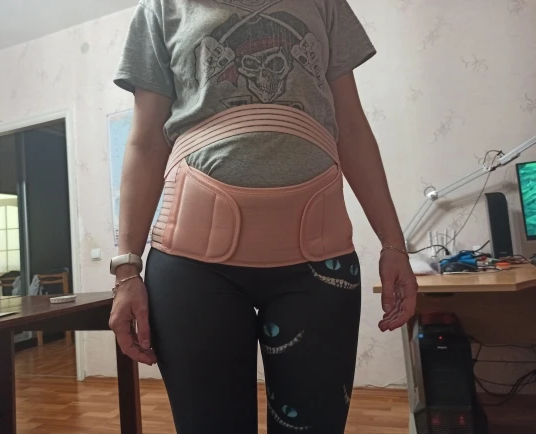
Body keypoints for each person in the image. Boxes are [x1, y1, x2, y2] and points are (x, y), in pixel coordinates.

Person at [109, 1, 418, 433]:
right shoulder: (161, 8)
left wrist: (393, 245)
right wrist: (126, 269)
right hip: (192, 264)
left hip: (319, 262)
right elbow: (145, 143)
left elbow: (351, 128)